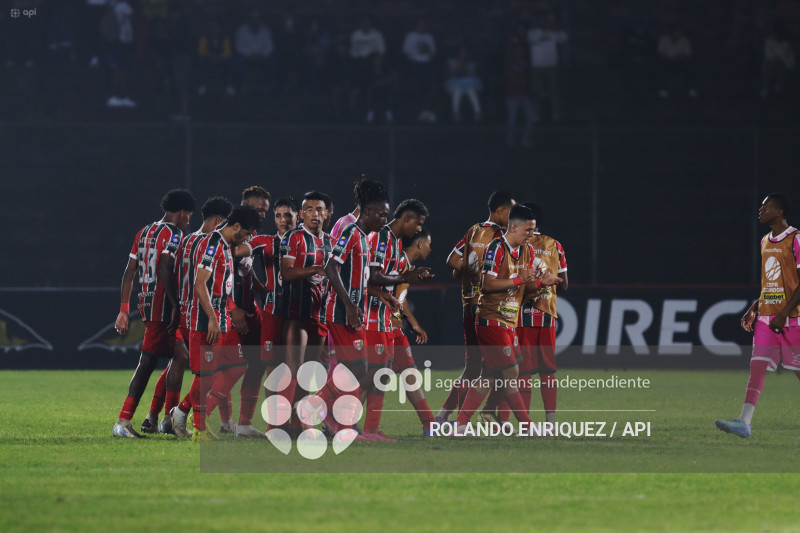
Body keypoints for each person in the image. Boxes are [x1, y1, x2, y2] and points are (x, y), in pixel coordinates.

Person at [454, 205, 562, 433]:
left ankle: (460, 424)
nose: (532, 235)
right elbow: (487, 284)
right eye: (528, 230)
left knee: (492, 375)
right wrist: (519, 279)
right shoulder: (496, 248)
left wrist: (543, 283)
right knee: (511, 372)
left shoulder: (527, 252)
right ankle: (527, 425)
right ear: (514, 227)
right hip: (490, 319)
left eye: (534, 230)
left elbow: (527, 286)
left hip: (509, 322)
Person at [304, 180, 390, 429]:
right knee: (359, 366)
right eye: (381, 214)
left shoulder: (364, 237)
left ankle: (339, 423)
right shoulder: (351, 233)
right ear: (367, 211)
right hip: (341, 311)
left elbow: (360, 279)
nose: (384, 220)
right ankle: (314, 405)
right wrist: (350, 306)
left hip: (352, 311)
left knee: (349, 367)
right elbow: (331, 267)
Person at [143, 196, 232, 435]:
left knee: (177, 362)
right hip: (199, 315)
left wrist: (174, 302)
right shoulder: (212, 243)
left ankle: (156, 415)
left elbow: (167, 265)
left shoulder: (185, 240)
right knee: (210, 370)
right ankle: (178, 415)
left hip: (181, 311)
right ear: (220, 221)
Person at [113, 189, 196, 438]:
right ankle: (124, 421)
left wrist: (124, 310)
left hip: (146, 303)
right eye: (189, 215)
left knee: (179, 355)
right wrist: (175, 305)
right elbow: (164, 267)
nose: (189, 220)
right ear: (181, 213)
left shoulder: (144, 231)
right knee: (148, 363)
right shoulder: (174, 234)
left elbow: (129, 272)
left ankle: (168, 418)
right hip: (162, 307)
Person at [716, 194, 800, 438]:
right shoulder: (764, 241)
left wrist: (784, 313)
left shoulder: (796, 239)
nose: (760, 209)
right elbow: (771, 283)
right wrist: (755, 306)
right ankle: (744, 423)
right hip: (767, 318)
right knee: (757, 366)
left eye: (766, 206)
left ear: (780, 211)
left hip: (791, 318)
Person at [482, 201, 568, 424]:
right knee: (542, 371)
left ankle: (505, 419)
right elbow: (564, 283)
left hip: (517, 315)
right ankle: (548, 424)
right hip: (543, 314)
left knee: (517, 372)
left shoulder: (521, 246)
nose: (529, 233)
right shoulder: (553, 245)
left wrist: (533, 282)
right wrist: (547, 283)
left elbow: (518, 282)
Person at [436, 191, 516, 422]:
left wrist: (469, 272)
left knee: (474, 368)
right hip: (489, 308)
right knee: (503, 367)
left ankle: (444, 416)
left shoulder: (474, 230)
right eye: (511, 212)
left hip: (469, 305)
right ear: (500, 210)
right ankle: (486, 416)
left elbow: (452, 260)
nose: (513, 218)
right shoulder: (503, 236)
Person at [183, 204, 261, 441]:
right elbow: (200, 282)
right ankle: (198, 429)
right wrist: (213, 320)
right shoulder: (213, 244)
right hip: (206, 322)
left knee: (238, 364)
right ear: (235, 226)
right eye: (246, 233)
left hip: (222, 320)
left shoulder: (226, 246)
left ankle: (186, 412)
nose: (247, 238)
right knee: (205, 375)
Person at [361, 199, 433, 440]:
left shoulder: (395, 246)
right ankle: (335, 415)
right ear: (407, 220)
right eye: (419, 225)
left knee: (401, 372)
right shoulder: (383, 239)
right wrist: (407, 278)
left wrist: (409, 277)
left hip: (389, 321)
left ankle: (429, 423)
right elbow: (374, 279)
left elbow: (398, 290)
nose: (420, 230)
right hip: (375, 319)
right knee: (374, 373)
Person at [203, 187, 270, 435]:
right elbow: (217, 276)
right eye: (256, 208)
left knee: (252, 364)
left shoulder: (247, 238)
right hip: (229, 313)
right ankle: (195, 414)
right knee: (230, 366)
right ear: (243, 204)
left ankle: (235, 423)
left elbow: (242, 272)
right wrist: (232, 309)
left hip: (250, 311)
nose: (262, 214)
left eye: (265, 210)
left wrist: (261, 289)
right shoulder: (225, 240)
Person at [233, 197, 298, 437]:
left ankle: (297, 421)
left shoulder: (307, 242)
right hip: (272, 313)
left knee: (300, 369)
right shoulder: (265, 241)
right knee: (273, 368)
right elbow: (237, 250)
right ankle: (275, 424)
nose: (283, 220)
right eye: (279, 215)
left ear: (296, 216)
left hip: (300, 314)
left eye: (288, 215)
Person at [274, 191, 334, 434]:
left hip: (320, 314)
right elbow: (287, 272)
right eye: (309, 209)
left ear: (326, 213)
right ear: (301, 214)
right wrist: (315, 269)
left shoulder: (331, 242)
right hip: (296, 312)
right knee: (294, 367)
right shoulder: (293, 238)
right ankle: (278, 423)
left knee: (309, 371)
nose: (315, 213)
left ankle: (298, 422)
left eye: (319, 209)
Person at [390, 227, 437, 436]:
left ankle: (429, 424)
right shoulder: (397, 262)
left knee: (409, 373)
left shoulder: (406, 265)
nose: (430, 247)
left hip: (395, 327)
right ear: (419, 244)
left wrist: (414, 323)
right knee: (369, 377)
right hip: (382, 327)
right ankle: (339, 420)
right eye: (428, 243)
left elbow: (400, 297)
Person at [527, 12, 568, 121]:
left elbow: (564, 37)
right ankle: (536, 114)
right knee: (537, 91)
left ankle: (556, 113)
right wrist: (546, 33)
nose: (544, 22)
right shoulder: (533, 32)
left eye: (546, 20)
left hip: (551, 65)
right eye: (542, 20)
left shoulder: (553, 33)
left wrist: (555, 26)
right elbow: (533, 40)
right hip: (537, 66)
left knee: (554, 90)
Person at [402, 19, 438, 123]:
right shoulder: (410, 36)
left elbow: (434, 52)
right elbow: (405, 50)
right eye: (420, 25)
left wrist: (427, 51)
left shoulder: (429, 37)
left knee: (429, 88)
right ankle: (419, 112)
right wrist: (418, 51)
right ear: (416, 26)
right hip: (414, 64)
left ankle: (428, 111)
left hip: (427, 64)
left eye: (424, 25)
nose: (422, 27)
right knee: (417, 88)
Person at [506, 22, 535, 147]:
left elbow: (528, 77)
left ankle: (525, 139)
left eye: (521, 51)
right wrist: (521, 81)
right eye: (517, 50)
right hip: (512, 95)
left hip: (524, 95)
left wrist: (526, 83)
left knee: (530, 117)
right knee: (512, 120)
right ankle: (510, 141)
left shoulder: (525, 64)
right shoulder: (509, 62)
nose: (519, 52)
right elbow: (510, 77)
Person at [444, 45, 483, 122]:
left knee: (471, 90)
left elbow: (474, 75)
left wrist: (466, 71)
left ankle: (478, 112)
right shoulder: (452, 62)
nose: (463, 53)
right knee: (457, 90)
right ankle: (455, 113)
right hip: (454, 84)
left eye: (464, 52)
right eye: (461, 52)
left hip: (468, 84)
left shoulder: (471, 63)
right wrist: (457, 70)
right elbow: (448, 74)